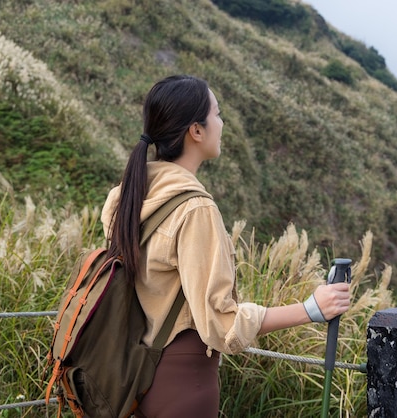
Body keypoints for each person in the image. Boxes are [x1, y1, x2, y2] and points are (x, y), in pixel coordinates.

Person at [100, 75, 351, 418]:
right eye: (217, 114)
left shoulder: (124, 197)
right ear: (196, 131)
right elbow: (221, 325)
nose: (222, 123)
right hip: (182, 385)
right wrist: (311, 309)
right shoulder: (195, 209)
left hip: (130, 379)